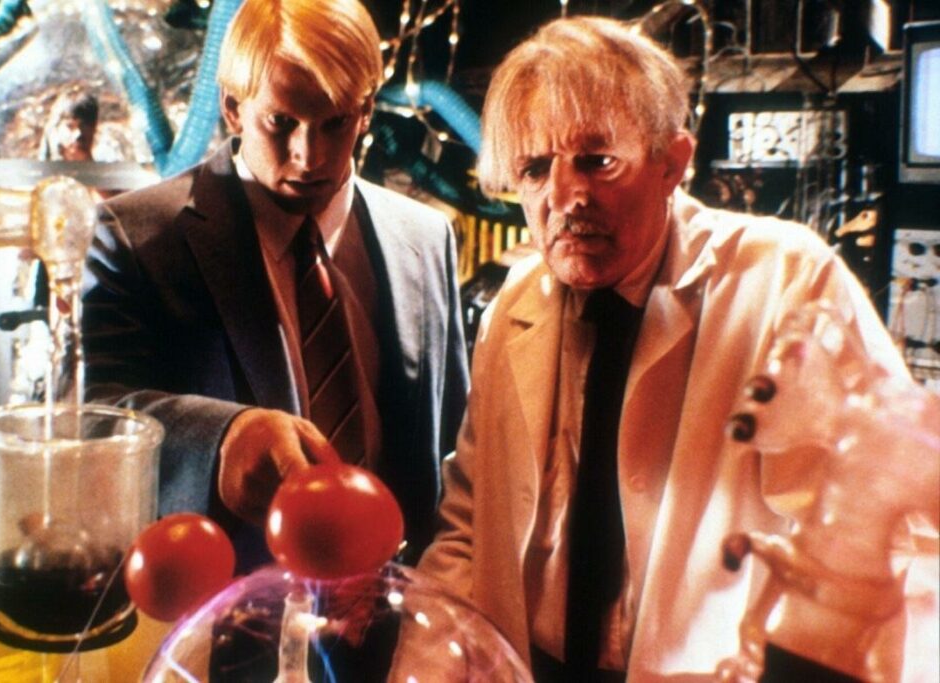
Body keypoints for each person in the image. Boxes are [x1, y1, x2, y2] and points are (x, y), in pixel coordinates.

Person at [415, 15, 931, 681]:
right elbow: (468, 528)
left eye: (597, 161)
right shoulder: (515, 303)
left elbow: (894, 529)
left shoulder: (786, 280)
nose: (565, 197)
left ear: (673, 163)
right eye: (535, 169)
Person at [81, 0, 468, 572]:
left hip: (398, 601)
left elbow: (456, 444)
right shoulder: (138, 237)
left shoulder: (426, 237)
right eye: (281, 123)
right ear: (232, 108)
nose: (309, 157)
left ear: (365, 111)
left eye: (334, 123)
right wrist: (223, 436)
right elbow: (94, 418)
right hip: (227, 605)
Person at [39, 89, 99, 161]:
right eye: (71, 127)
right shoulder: (51, 133)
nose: (78, 135)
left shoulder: (103, 155)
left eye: (85, 127)